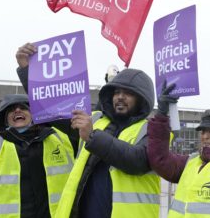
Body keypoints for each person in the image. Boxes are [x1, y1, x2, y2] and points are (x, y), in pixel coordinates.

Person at [53, 67, 160, 218]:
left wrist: (92, 136)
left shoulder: (154, 130)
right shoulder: (95, 119)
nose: (120, 97)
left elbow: (138, 160)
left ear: (142, 99)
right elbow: (52, 111)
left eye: (128, 93)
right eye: (116, 92)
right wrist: (27, 71)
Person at [147, 82, 210, 217]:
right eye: (203, 131)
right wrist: (161, 115)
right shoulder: (192, 161)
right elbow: (159, 160)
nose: (205, 136)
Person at [0, 94, 74, 218]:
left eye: (23, 107)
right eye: (11, 109)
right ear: (4, 119)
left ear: (35, 115)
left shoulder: (60, 138)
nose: (17, 110)